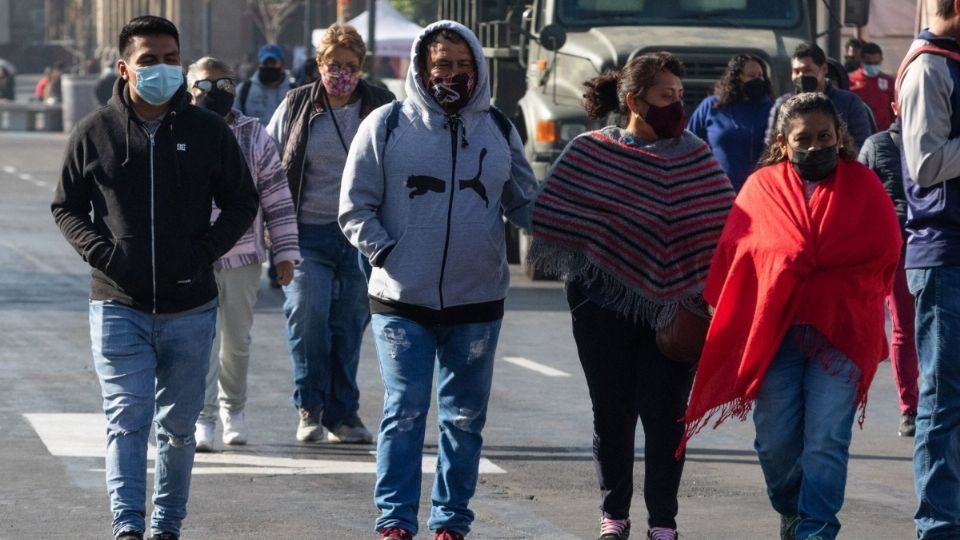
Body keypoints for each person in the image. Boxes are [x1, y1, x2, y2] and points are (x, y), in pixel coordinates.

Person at [50, 16, 258, 540]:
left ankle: (167, 525)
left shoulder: (207, 131)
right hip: (118, 303)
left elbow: (242, 200)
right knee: (126, 419)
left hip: (191, 306)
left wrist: (207, 250)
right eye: (149, 60)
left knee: (179, 429)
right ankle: (127, 526)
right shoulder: (94, 131)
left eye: (171, 59)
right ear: (124, 67)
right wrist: (102, 253)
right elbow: (66, 206)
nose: (162, 69)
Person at [339, 20, 538, 540]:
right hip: (401, 300)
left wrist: (579, 228)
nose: (451, 74)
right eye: (441, 65)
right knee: (404, 409)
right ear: (423, 70)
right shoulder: (385, 125)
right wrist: (388, 252)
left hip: (478, 300)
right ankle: (396, 520)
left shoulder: (498, 127)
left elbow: (524, 201)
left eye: (461, 65)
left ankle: (451, 521)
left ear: (477, 68)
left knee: (465, 418)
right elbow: (353, 207)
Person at [528, 53, 735, 540]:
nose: (676, 106)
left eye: (680, 98)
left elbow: (726, 226)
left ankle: (663, 521)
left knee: (668, 419)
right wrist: (588, 278)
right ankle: (613, 515)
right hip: (602, 308)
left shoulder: (695, 155)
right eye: (666, 98)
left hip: (676, 313)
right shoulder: (591, 152)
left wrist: (699, 288)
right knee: (612, 413)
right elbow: (553, 217)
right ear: (635, 102)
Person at [680, 93, 900, 540]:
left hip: (839, 331)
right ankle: (793, 509)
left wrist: (811, 262)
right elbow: (739, 253)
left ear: (840, 137)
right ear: (784, 142)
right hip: (776, 332)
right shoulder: (761, 188)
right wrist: (790, 261)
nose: (815, 146)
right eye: (804, 138)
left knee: (825, 441)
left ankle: (815, 528)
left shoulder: (864, 186)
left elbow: (884, 251)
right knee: (775, 442)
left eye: (825, 137)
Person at [267, 24, 394, 445]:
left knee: (349, 324)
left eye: (351, 66)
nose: (342, 73)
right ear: (319, 65)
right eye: (333, 65)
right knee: (308, 316)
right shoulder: (296, 105)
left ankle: (343, 413)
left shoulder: (382, 106)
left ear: (363, 68)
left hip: (362, 237)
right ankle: (310, 406)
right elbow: (268, 163)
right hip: (306, 233)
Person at [185, 57, 301, 451]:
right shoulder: (173, 130)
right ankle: (201, 417)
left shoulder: (253, 135)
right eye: (205, 85)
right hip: (190, 259)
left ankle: (233, 410)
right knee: (198, 341)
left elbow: (277, 196)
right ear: (189, 89)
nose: (215, 92)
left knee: (235, 341)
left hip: (241, 256)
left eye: (224, 85)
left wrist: (285, 251)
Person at [897, 2, 960, 536]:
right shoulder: (929, 67)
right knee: (942, 399)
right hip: (945, 257)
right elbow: (926, 163)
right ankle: (938, 527)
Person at [857, 102, 919, 438]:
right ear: (896, 105)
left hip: (938, 247)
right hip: (896, 250)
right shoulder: (876, 145)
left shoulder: (944, 141)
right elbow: (860, 197)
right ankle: (910, 408)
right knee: (905, 330)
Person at [688, 53, 773, 191]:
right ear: (737, 78)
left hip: (756, 192)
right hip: (715, 193)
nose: (758, 80)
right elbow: (689, 146)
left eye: (760, 76)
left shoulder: (771, 111)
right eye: (751, 76)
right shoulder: (711, 106)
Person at [765, 43, 873, 149]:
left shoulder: (849, 102)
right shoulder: (783, 104)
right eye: (796, 71)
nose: (801, 76)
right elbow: (772, 145)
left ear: (824, 69)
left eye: (807, 70)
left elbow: (861, 144)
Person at [236, 43, 292, 126]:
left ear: (282, 64)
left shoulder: (293, 91)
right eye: (265, 63)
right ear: (258, 64)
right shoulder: (243, 90)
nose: (269, 66)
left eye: (273, 63)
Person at [849, 42, 896, 131]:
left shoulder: (888, 81)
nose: (872, 66)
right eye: (868, 63)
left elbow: (894, 110)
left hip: (883, 133)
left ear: (881, 60)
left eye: (875, 63)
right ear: (861, 60)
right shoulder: (850, 80)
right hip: (859, 132)